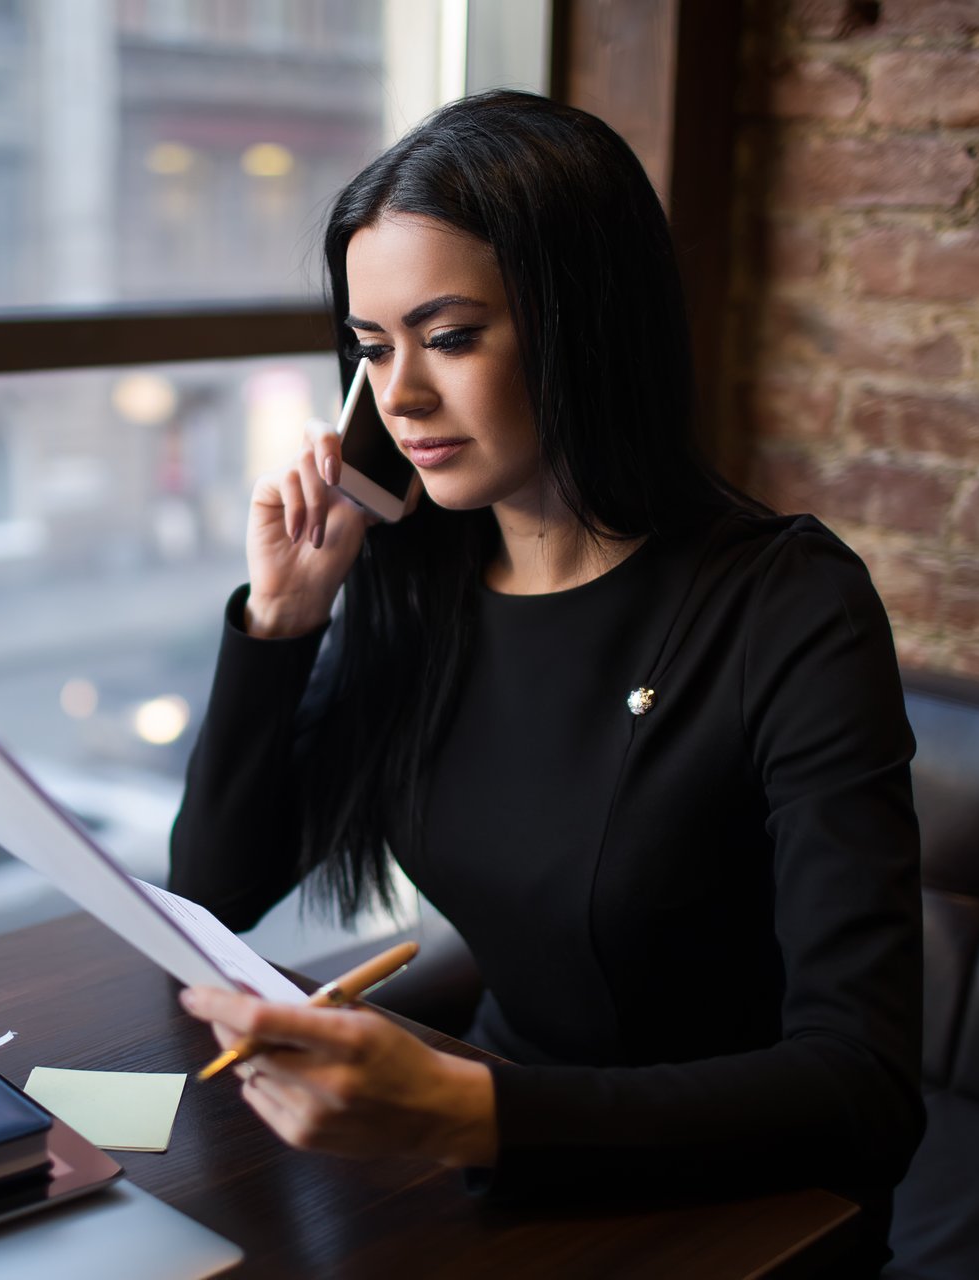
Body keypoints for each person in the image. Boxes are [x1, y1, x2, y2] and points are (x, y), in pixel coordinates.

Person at [169, 90, 924, 1267]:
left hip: (743, 1210)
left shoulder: (787, 604)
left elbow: (863, 1091)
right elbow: (217, 891)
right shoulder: (423, 588)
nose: (402, 398)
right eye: (373, 352)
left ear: (585, 324)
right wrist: (284, 616)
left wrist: (464, 1109)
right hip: (491, 1163)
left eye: (452, 336)